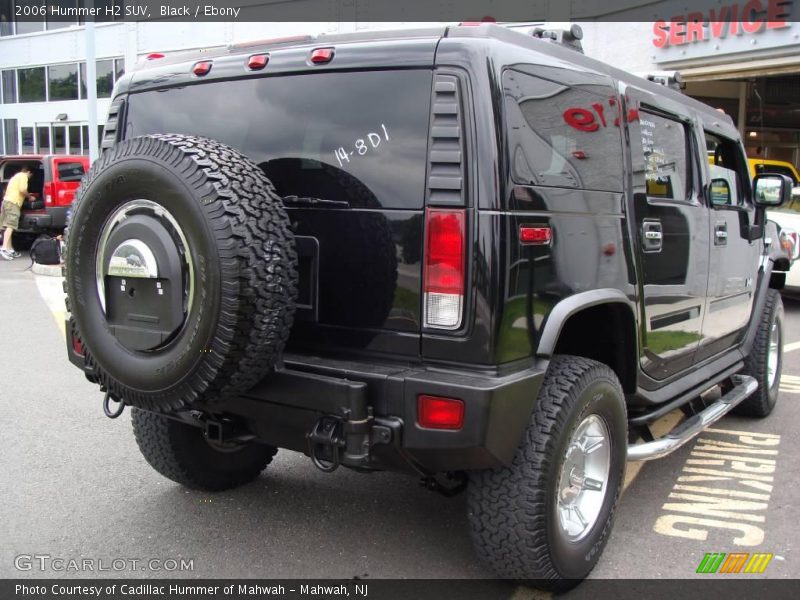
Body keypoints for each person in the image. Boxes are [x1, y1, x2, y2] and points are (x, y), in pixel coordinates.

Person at [1, 165, 33, 260]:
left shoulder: (16, 176)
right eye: (31, 175)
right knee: (11, 225)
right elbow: (22, 189)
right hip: (13, 203)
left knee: (6, 226)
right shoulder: (23, 176)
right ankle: (4, 248)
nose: (30, 177)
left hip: (6, 201)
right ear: (29, 172)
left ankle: (10, 249)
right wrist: (29, 197)